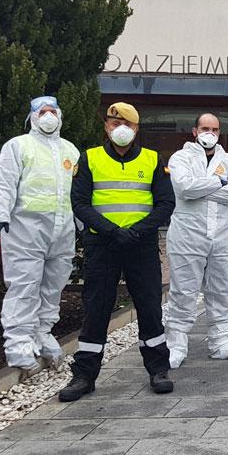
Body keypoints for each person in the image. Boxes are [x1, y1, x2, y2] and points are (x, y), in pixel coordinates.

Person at [60, 103, 176, 401]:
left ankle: (158, 370)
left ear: (136, 129)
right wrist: (112, 230)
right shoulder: (89, 158)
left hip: (141, 245)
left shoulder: (152, 160)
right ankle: (84, 375)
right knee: (96, 308)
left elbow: (165, 204)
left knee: (150, 307)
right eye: (114, 123)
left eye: (127, 123)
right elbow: (80, 203)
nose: (120, 128)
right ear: (106, 127)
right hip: (103, 245)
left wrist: (137, 231)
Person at [0, 96, 80, 370]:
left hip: (62, 228)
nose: (48, 115)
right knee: (25, 285)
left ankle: (42, 332)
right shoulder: (18, 146)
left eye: (53, 111)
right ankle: (18, 342)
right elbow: (4, 182)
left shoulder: (70, 150)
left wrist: (85, 221)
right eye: (42, 111)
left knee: (53, 285)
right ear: (33, 117)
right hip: (25, 228)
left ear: (60, 116)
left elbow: (78, 189)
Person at [163, 113, 228, 368]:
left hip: (222, 235)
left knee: (221, 289)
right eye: (204, 128)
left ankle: (220, 341)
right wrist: (218, 183)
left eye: (214, 129)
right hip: (187, 234)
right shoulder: (181, 157)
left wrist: (204, 188)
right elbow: (184, 189)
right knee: (183, 290)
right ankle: (176, 345)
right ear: (194, 131)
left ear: (219, 132)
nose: (209, 133)